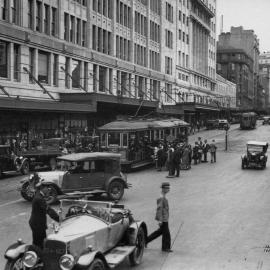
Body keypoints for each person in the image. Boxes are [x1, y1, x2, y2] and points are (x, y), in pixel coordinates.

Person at [29, 180, 59, 249]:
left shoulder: (39, 194)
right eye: (48, 189)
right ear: (43, 188)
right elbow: (49, 210)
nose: (49, 191)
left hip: (37, 222)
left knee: (41, 242)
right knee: (38, 244)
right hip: (37, 224)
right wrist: (59, 219)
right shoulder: (39, 198)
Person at [147, 182, 172, 252]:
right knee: (166, 234)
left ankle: (145, 241)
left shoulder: (163, 196)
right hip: (163, 219)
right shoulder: (161, 197)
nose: (169, 190)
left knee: (159, 232)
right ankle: (165, 248)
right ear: (163, 189)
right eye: (167, 188)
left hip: (165, 217)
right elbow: (159, 209)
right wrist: (160, 220)